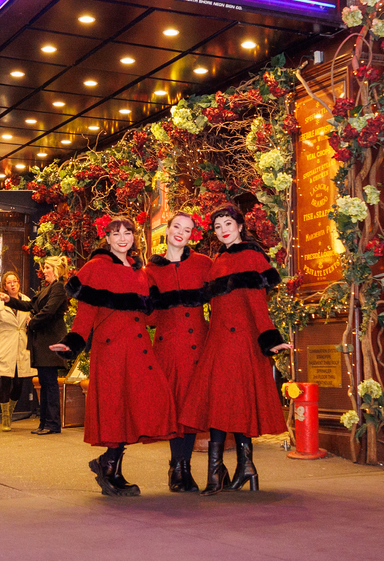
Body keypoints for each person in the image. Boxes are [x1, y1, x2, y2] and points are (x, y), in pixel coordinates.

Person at [50, 216, 177, 497]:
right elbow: (86, 313)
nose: (122, 238)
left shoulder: (140, 271)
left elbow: (151, 317)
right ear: (106, 238)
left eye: (127, 233)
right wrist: (72, 341)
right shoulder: (96, 267)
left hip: (140, 347)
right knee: (116, 407)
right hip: (113, 350)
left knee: (151, 399)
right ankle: (111, 468)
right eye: (115, 233)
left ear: (134, 237)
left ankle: (108, 463)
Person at [180, 204, 291, 495]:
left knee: (223, 402)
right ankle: (245, 467)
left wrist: (269, 338)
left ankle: (217, 475)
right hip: (219, 340)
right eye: (217, 227)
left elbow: (257, 303)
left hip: (239, 340)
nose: (223, 230)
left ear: (240, 225)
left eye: (228, 223)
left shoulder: (250, 255)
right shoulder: (221, 258)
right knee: (230, 402)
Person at [146, 212, 211, 492]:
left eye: (187, 229)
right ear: (168, 230)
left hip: (198, 343)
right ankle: (178, 466)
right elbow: (148, 316)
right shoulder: (151, 269)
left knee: (192, 406)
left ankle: (183, 467)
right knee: (175, 406)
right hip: (168, 346)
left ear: (192, 235)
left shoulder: (203, 264)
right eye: (176, 227)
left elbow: (221, 300)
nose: (180, 233)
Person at [1, 256, 68, 435]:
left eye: (46, 267)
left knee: (50, 383)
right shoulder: (47, 288)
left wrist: (31, 323)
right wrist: (10, 301)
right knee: (45, 383)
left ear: (55, 269)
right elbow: (30, 304)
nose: (43, 271)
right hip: (42, 342)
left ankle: (53, 424)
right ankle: (44, 422)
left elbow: (48, 312)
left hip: (51, 341)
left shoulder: (59, 287)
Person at [0, 271, 37, 431]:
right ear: (4, 286)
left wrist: (31, 322)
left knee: (19, 383)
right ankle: (5, 418)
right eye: (9, 282)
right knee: (5, 381)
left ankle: (10, 410)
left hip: (22, 345)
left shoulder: (28, 302)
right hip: (4, 345)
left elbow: (34, 323)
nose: (13, 284)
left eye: (15, 281)